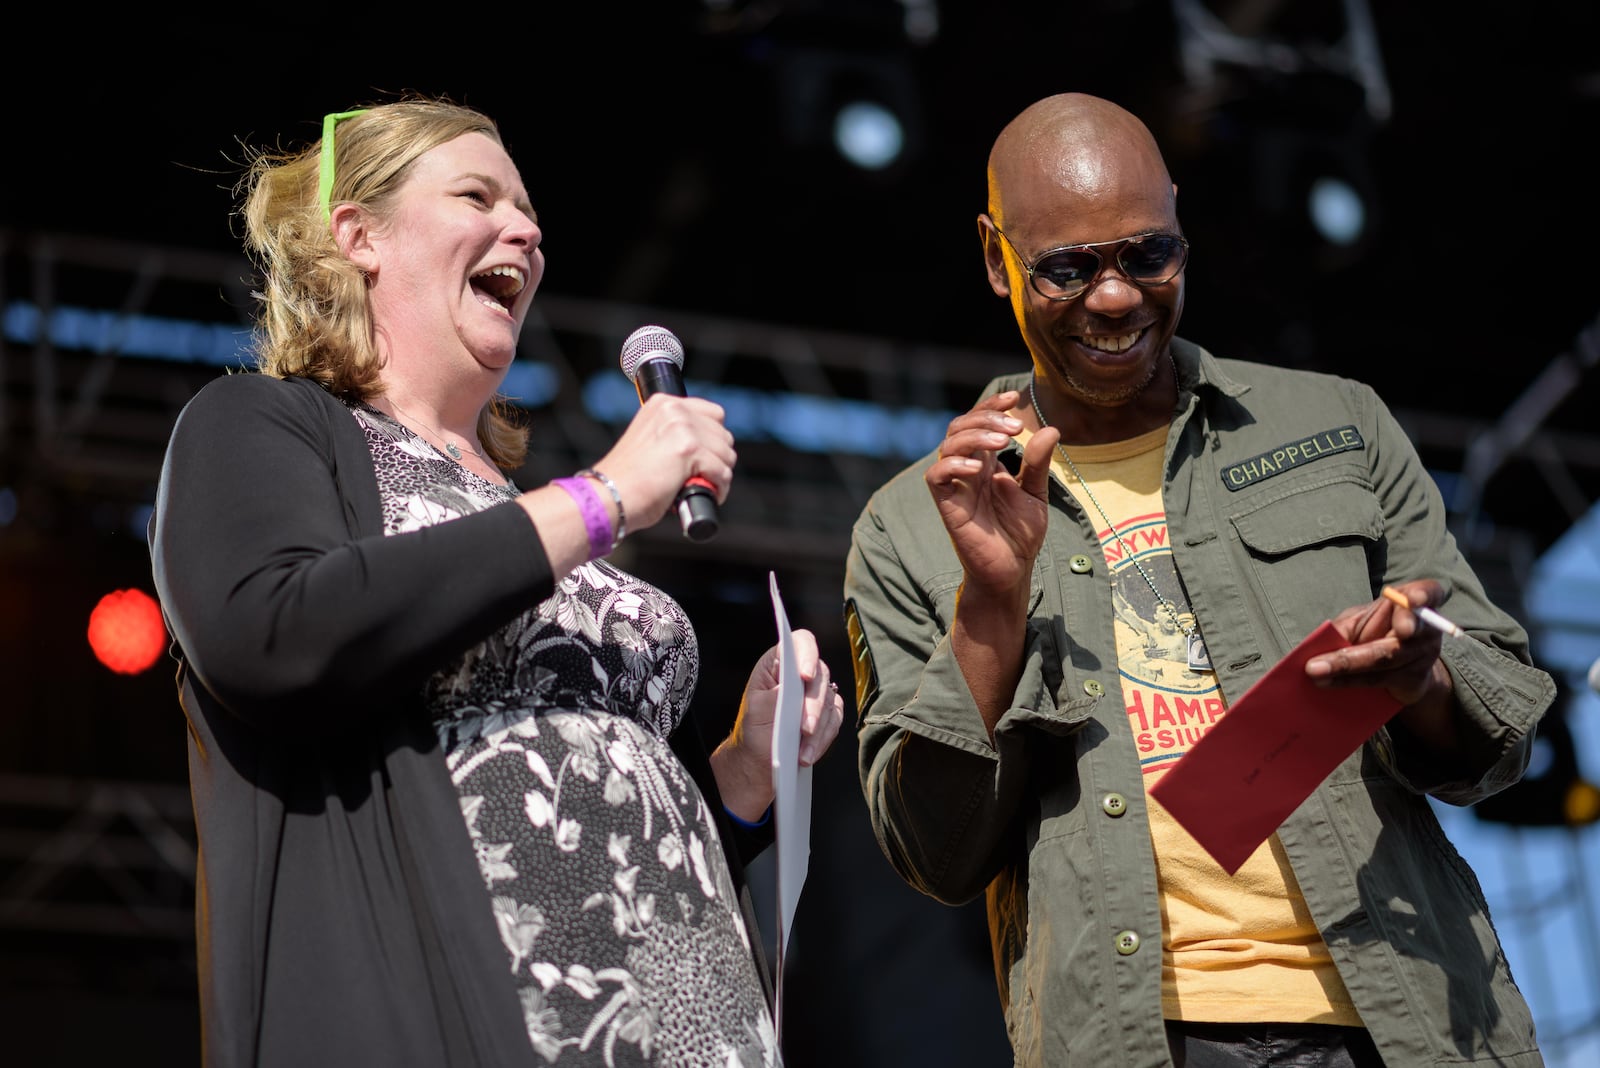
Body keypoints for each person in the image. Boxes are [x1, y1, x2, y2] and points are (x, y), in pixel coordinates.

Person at [841, 91, 1556, 1068]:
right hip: (1137, 1040)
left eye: (1147, 254)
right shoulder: (909, 525)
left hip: (1406, 1016)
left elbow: (1501, 725)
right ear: (992, 258)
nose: (1115, 297)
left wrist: (1419, 679)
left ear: (1181, 224)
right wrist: (991, 609)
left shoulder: (1333, 425)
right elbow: (932, 852)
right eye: (1066, 268)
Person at [148, 95, 845, 1068]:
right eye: (477, 195)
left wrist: (739, 770)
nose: (524, 229)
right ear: (359, 236)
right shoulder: (265, 427)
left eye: (527, 213)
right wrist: (601, 496)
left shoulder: (532, 512)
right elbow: (273, 635)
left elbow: (617, 846)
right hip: (476, 1017)